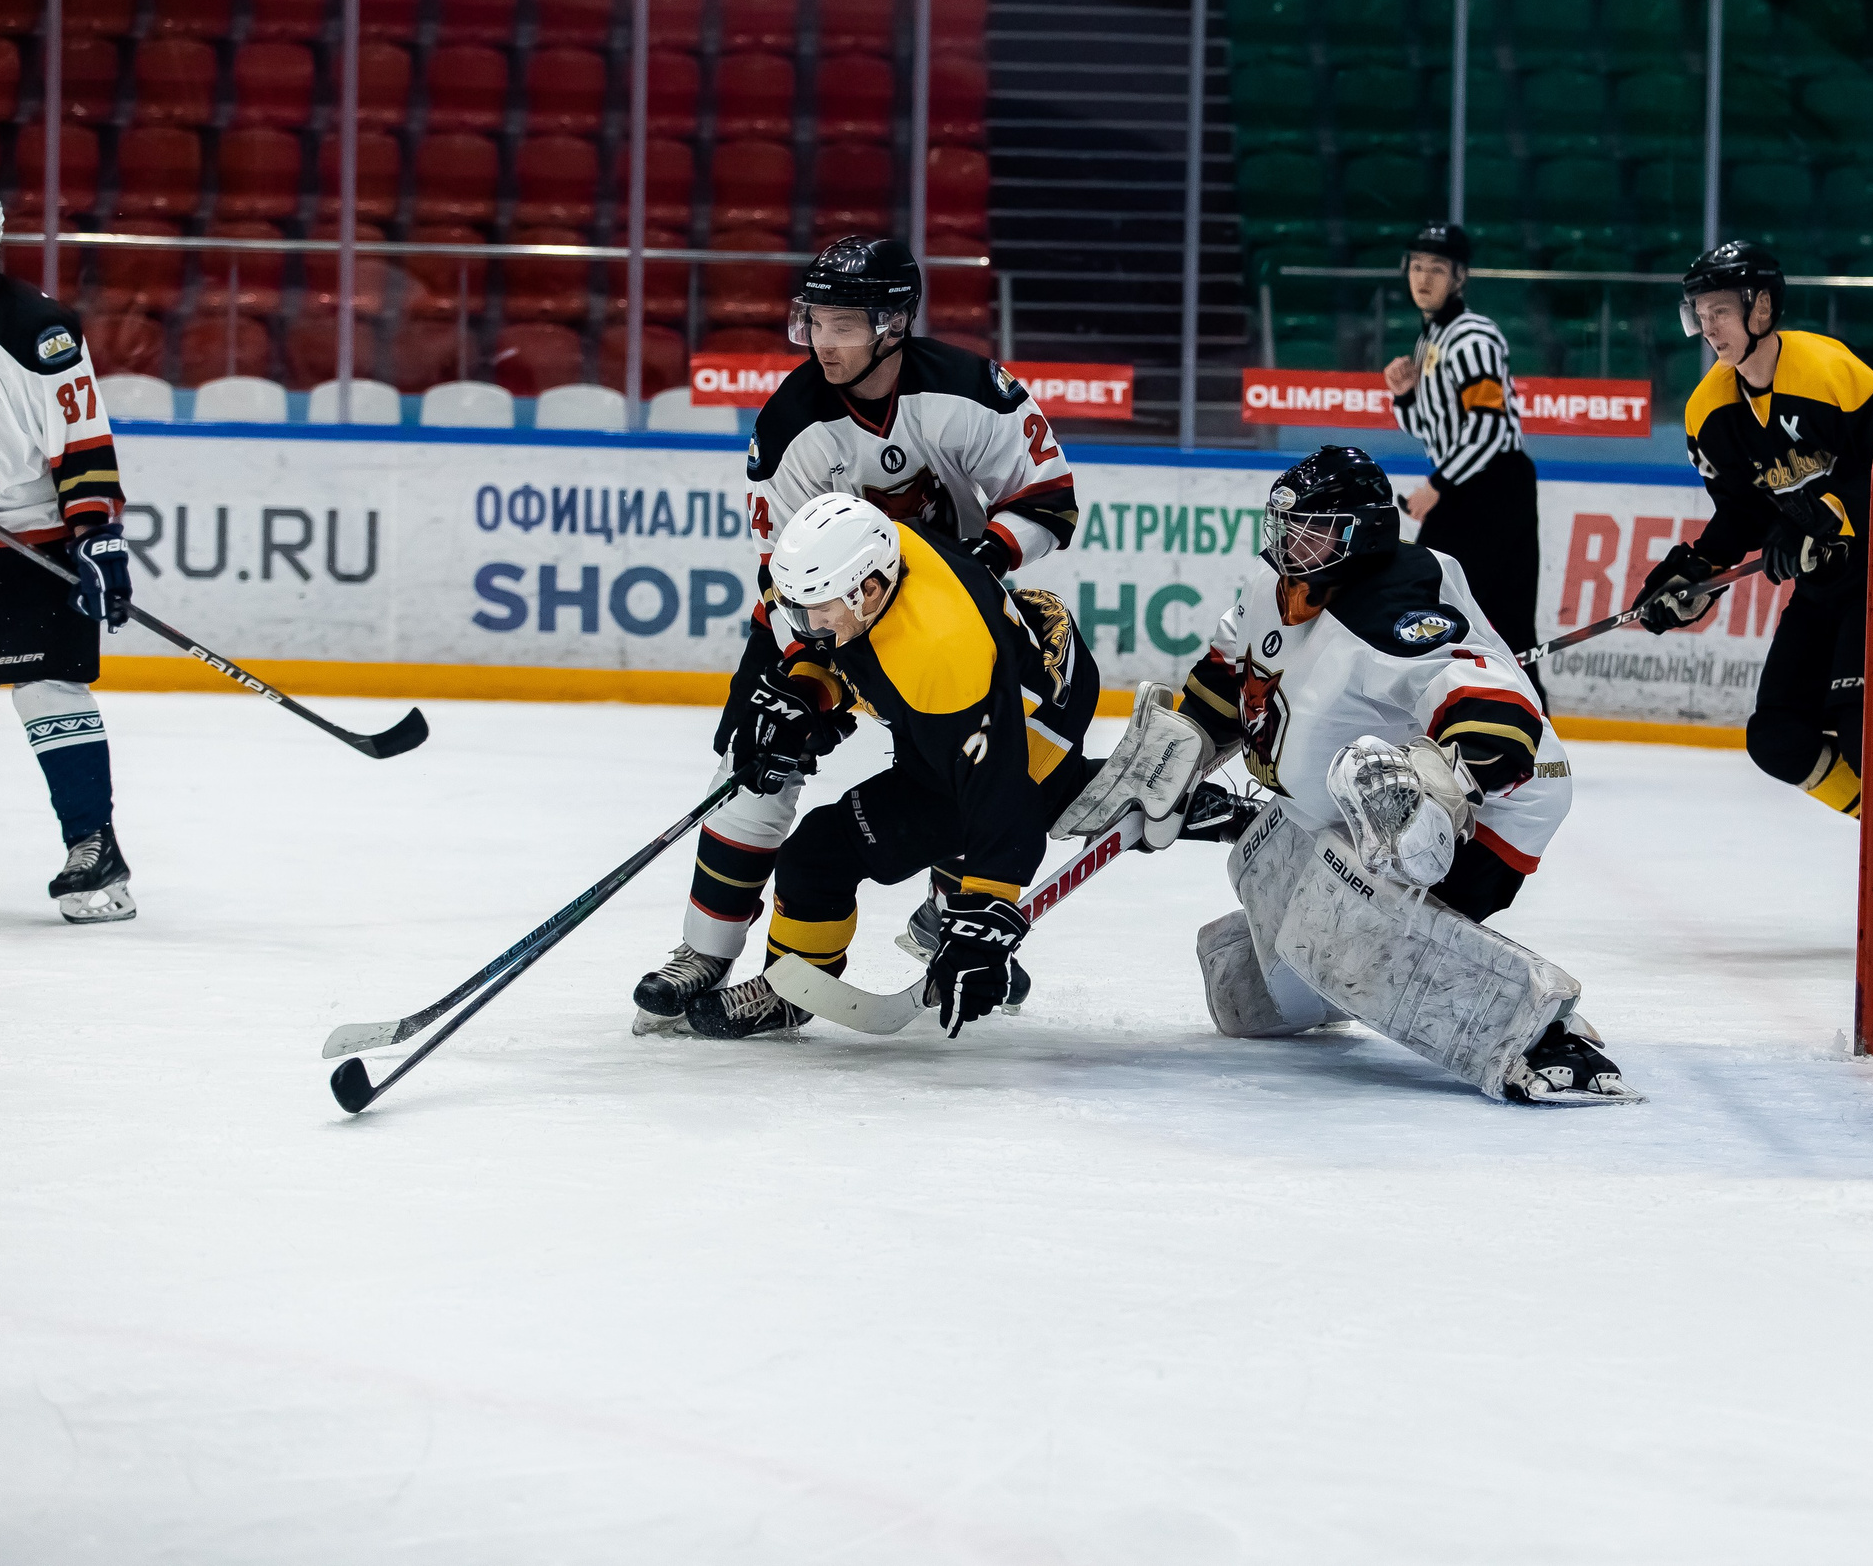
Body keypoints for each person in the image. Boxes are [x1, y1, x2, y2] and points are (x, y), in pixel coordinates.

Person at [1063, 445, 1635, 1105]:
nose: (1290, 543)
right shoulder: (1274, 588)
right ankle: (1323, 894)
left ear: (1363, 532)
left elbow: (1497, 712)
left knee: (1344, 891)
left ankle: (1535, 1034)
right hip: (1353, 807)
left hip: (1488, 802)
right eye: (1286, 527)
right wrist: (1171, 762)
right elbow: (1225, 682)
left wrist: (1443, 789)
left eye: (1312, 530)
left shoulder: (1394, 600)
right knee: (1248, 978)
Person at [631, 235, 1081, 1026]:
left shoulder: (973, 391)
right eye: (815, 321)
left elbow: (1047, 499)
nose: (823, 342)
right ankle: (706, 948)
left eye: (844, 324)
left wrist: (977, 563)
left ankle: (957, 920)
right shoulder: (791, 426)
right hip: (832, 612)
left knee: (966, 767)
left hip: (950, 616)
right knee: (755, 753)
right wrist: (802, 682)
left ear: (895, 321)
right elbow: (787, 578)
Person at [643, 491, 1100, 1041]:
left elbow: (1002, 797)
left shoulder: (943, 658)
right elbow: (855, 660)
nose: (806, 625)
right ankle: (793, 987)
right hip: (989, 694)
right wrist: (807, 698)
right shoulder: (880, 557)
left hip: (1029, 732)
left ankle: (1091, 787)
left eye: (818, 609)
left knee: (826, 853)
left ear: (869, 591)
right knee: (816, 857)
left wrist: (984, 924)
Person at [1632, 242, 1873, 937]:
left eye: (1721, 311)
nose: (1709, 327)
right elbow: (1742, 513)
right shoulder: (1710, 411)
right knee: (1778, 737)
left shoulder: (1832, 371)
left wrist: (1832, 518)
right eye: (1700, 314)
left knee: (1866, 726)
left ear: (1762, 307)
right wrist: (1692, 570)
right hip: (1830, 584)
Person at [0, 173, 138, 923]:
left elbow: (83, 442)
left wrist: (98, 534)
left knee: (46, 690)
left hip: (34, 538)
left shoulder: (39, 332)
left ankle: (93, 848)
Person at [1380, 222, 1543, 693]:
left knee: (1450, 608)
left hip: (1492, 487)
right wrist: (1406, 395)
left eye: (1436, 268)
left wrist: (1439, 486)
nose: (1423, 278)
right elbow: (1432, 431)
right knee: (1482, 616)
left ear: (1460, 277)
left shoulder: (1471, 337)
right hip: (1477, 485)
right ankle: (1523, 734)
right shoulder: (1432, 339)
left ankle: (1521, 735)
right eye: (1416, 267)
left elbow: (1489, 425)